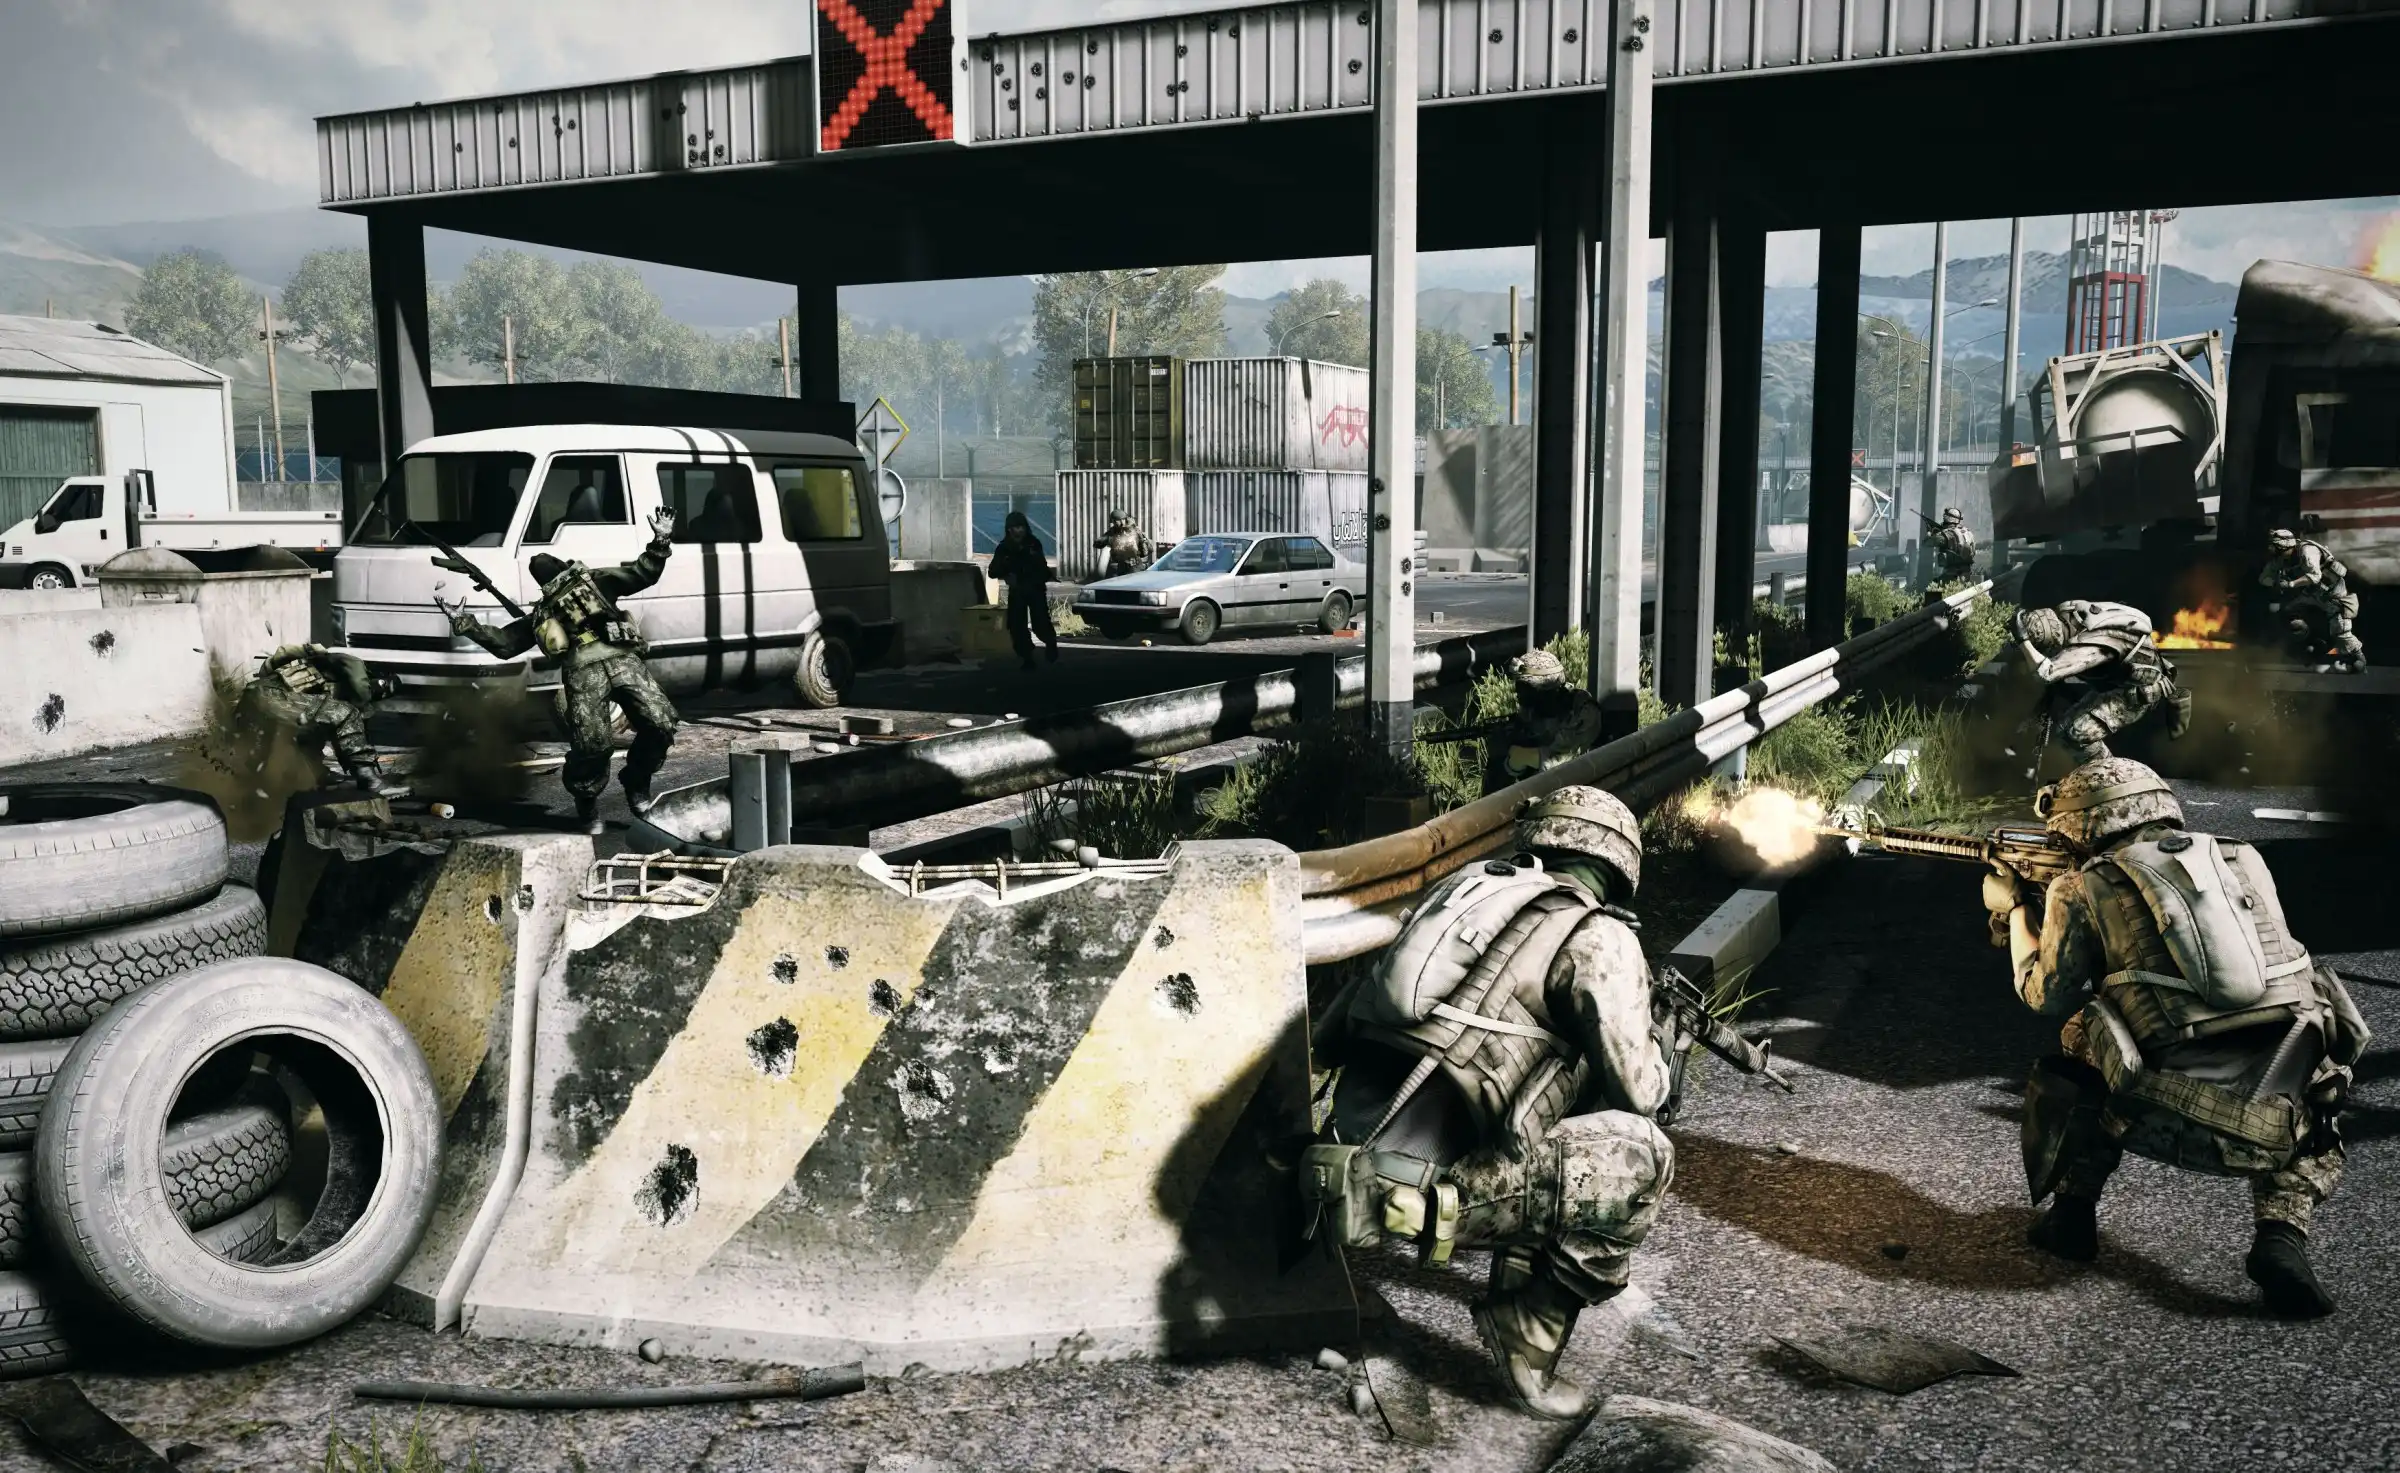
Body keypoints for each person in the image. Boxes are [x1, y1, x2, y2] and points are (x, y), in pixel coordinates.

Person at [1305, 787, 1675, 1419]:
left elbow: (1331, 1036)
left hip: (1332, 1171)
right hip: (1416, 1200)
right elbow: (1640, 1094)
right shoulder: (1601, 937)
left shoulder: (1458, 901)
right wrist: (1659, 1047)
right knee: (1642, 1157)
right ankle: (1525, 1330)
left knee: (1550, 1113)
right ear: (1620, 866)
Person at [1986, 757, 2367, 1317]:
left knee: (2082, 1035)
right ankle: (2281, 1238)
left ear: (2080, 824)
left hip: (2154, 1112)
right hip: (2277, 1125)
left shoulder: (2080, 885)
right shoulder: (2241, 858)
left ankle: (2071, 1215)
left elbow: (2045, 994)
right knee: (2314, 1063)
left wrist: (2017, 909)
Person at [442, 507, 681, 836]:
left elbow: (642, 574)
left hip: (622, 660)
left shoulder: (597, 582)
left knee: (660, 723)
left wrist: (661, 540)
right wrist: (466, 624)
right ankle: (586, 797)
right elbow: (506, 643)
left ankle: (637, 783)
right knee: (592, 744)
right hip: (582, 671)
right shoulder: (543, 613)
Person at [2014, 601, 2192, 765]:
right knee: (2063, 730)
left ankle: (2111, 775)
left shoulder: (2092, 645)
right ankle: (2097, 775)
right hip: (2119, 684)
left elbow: (2046, 673)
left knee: (2077, 734)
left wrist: (2023, 641)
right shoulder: (2075, 612)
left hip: (2136, 692)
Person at [242, 643, 393, 794]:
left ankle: (316, 775)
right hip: (274, 696)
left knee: (315, 731)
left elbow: (337, 738)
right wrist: (360, 709)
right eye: (384, 686)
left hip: (258, 701)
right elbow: (359, 686)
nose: (381, 692)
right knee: (346, 712)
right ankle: (369, 780)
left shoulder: (320, 697)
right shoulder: (351, 665)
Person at [1482, 650, 1608, 795]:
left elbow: (1569, 762)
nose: (1519, 695)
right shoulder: (1534, 710)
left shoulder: (1583, 711)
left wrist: (1527, 756)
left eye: (1525, 689)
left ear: (1545, 689)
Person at [2258, 527, 2365, 672]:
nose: (2274, 552)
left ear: (2285, 546)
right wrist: (2276, 582)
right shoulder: (2282, 559)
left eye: (2277, 548)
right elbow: (2263, 578)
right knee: (2287, 614)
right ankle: (2312, 645)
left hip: (2334, 594)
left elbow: (2315, 576)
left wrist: (2290, 584)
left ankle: (2358, 659)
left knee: (2341, 632)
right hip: (2311, 594)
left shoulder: (2307, 550)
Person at [988, 509, 1059, 671]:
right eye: (1015, 527)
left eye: (1021, 527)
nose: (1019, 531)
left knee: (1040, 623)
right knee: (1016, 627)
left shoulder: (1033, 544)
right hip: (1017, 591)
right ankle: (1027, 658)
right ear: (1009, 529)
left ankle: (1050, 643)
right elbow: (993, 571)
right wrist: (1006, 572)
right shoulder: (1004, 548)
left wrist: (1037, 574)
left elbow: (1042, 567)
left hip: (1035, 589)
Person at [1094, 509, 1153, 579]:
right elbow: (1097, 544)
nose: (1114, 523)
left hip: (1134, 567)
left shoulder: (1118, 532)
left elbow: (1097, 544)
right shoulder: (1135, 529)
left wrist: (1109, 539)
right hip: (1124, 566)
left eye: (1114, 521)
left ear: (1121, 520)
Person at [1927, 506, 1979, 581]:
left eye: (1945, 517)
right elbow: (1973, 552)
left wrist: (1929, 532)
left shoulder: (1947, 534)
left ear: (1948, 518)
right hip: (1966, 573)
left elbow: (1927, 543)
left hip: (1950, 574)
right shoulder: (1968, 532)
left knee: (1933, 586)